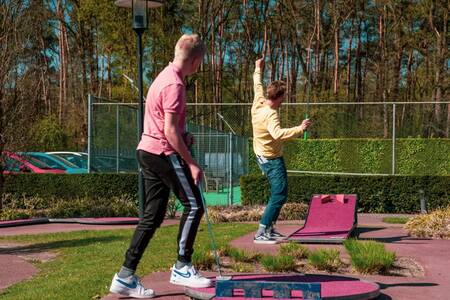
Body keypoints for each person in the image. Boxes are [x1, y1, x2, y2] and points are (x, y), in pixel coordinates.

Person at [109, 34, 212, 299]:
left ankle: (124, 276)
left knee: (152, 217)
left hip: (147, 151)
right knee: (194, 205)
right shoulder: (175, 85)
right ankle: (182, 266)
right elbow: (168, 131)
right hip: (162, 154)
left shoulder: (163, 76)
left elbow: (166, 124)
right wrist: (191, 163)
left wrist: (183, 134)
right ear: (197, 61)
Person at [251, 57, 312, 244]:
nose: (284, 100)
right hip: (271, 158)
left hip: (264, 154)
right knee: (279, 193)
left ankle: (269, 228)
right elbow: (277, 134)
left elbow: (257, 85)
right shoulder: (270, 115)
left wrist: (258, 68)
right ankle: (261, 231)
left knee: (281, 192)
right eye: (283, 97)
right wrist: (300, 128)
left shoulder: (259, 102)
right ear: (278, 97)